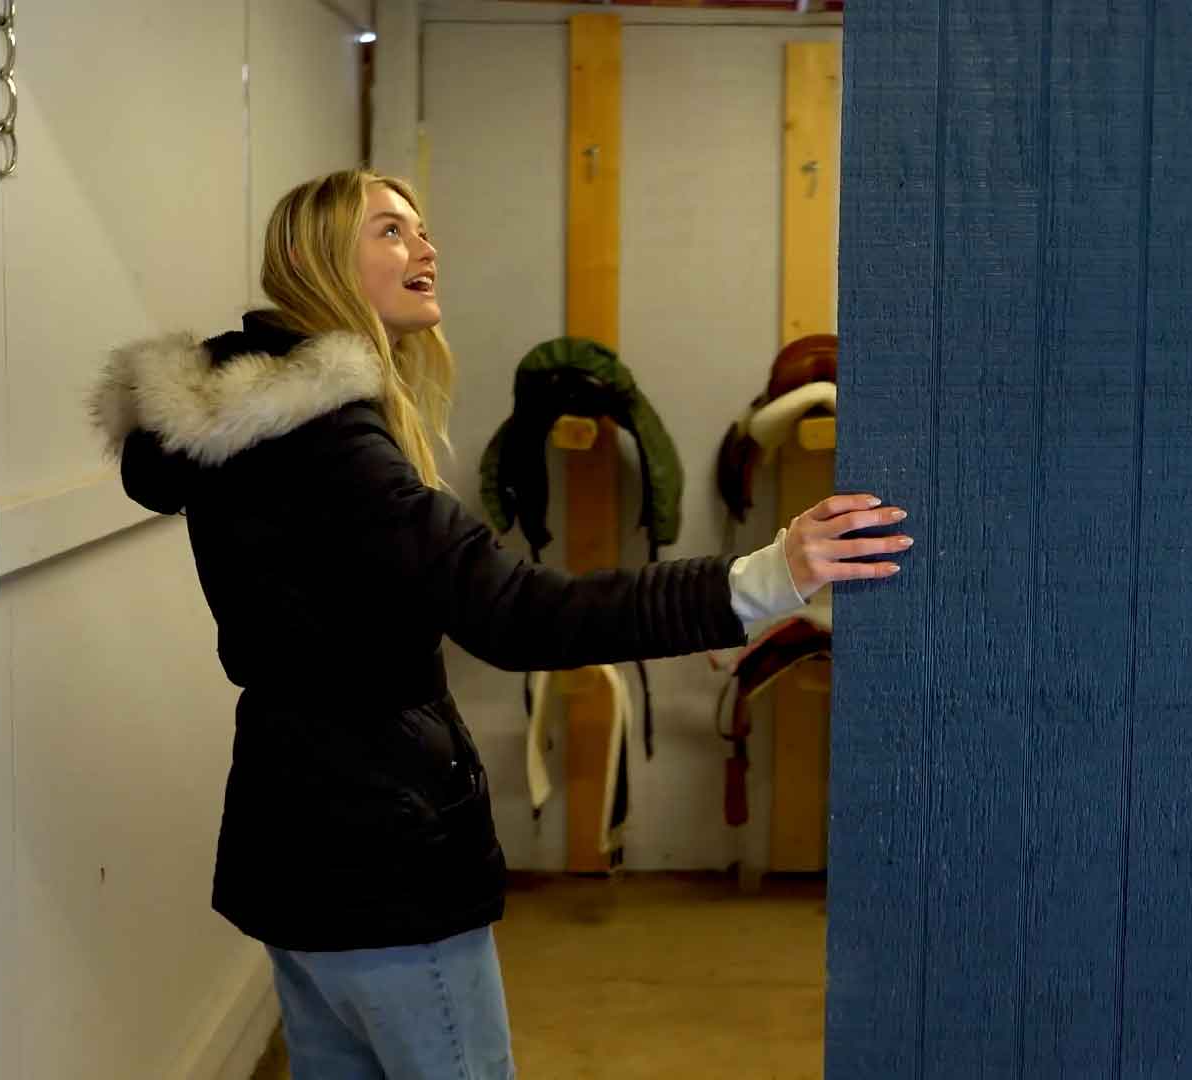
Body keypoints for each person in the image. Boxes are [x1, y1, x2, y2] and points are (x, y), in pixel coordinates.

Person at [87, 167, 911, 1079]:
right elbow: (523, 615)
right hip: (381, 858)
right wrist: (767, 576)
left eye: (422, 229)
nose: (425, 248)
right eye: (391, 231)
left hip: (292, 841)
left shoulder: (247, 437)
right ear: (316, 260)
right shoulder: (332, 450)